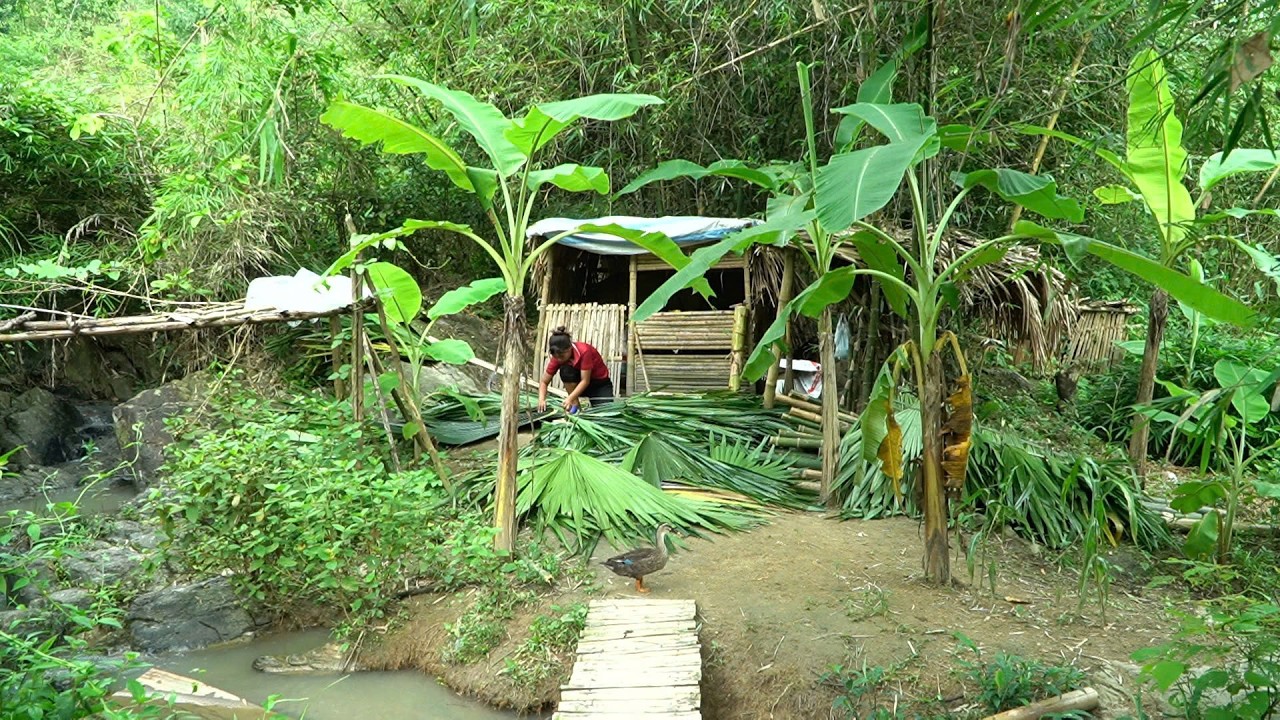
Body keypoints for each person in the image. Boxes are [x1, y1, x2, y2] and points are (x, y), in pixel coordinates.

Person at [537, 326, 614, 413]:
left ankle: (574, 401)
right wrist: (541, 399)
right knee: (566, 370)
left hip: (599, 385)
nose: (559, 359)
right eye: (555, 356)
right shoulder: (557, 357)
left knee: (605, 413)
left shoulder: (584, 352)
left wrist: (569, 398)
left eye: (561, 356)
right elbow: (544, 381)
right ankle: (575, 405)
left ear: (570, 348)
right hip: (578, 386)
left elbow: (585, 381)